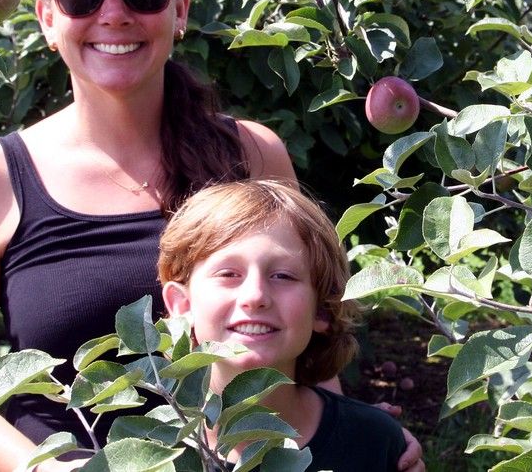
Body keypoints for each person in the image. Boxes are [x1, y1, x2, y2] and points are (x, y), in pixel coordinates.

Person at [0, 0, 423, 472]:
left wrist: (353, 443)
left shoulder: (251, 153)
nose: (113, 11)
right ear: (47, 16)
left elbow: (301, 337)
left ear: (178, 8)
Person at [159, 178, 407, 471]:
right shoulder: (152, 449)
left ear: (323, 311)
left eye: (283, 276)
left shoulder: (373, 441)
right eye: (228, 273)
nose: (255, 296)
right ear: (182, 305)